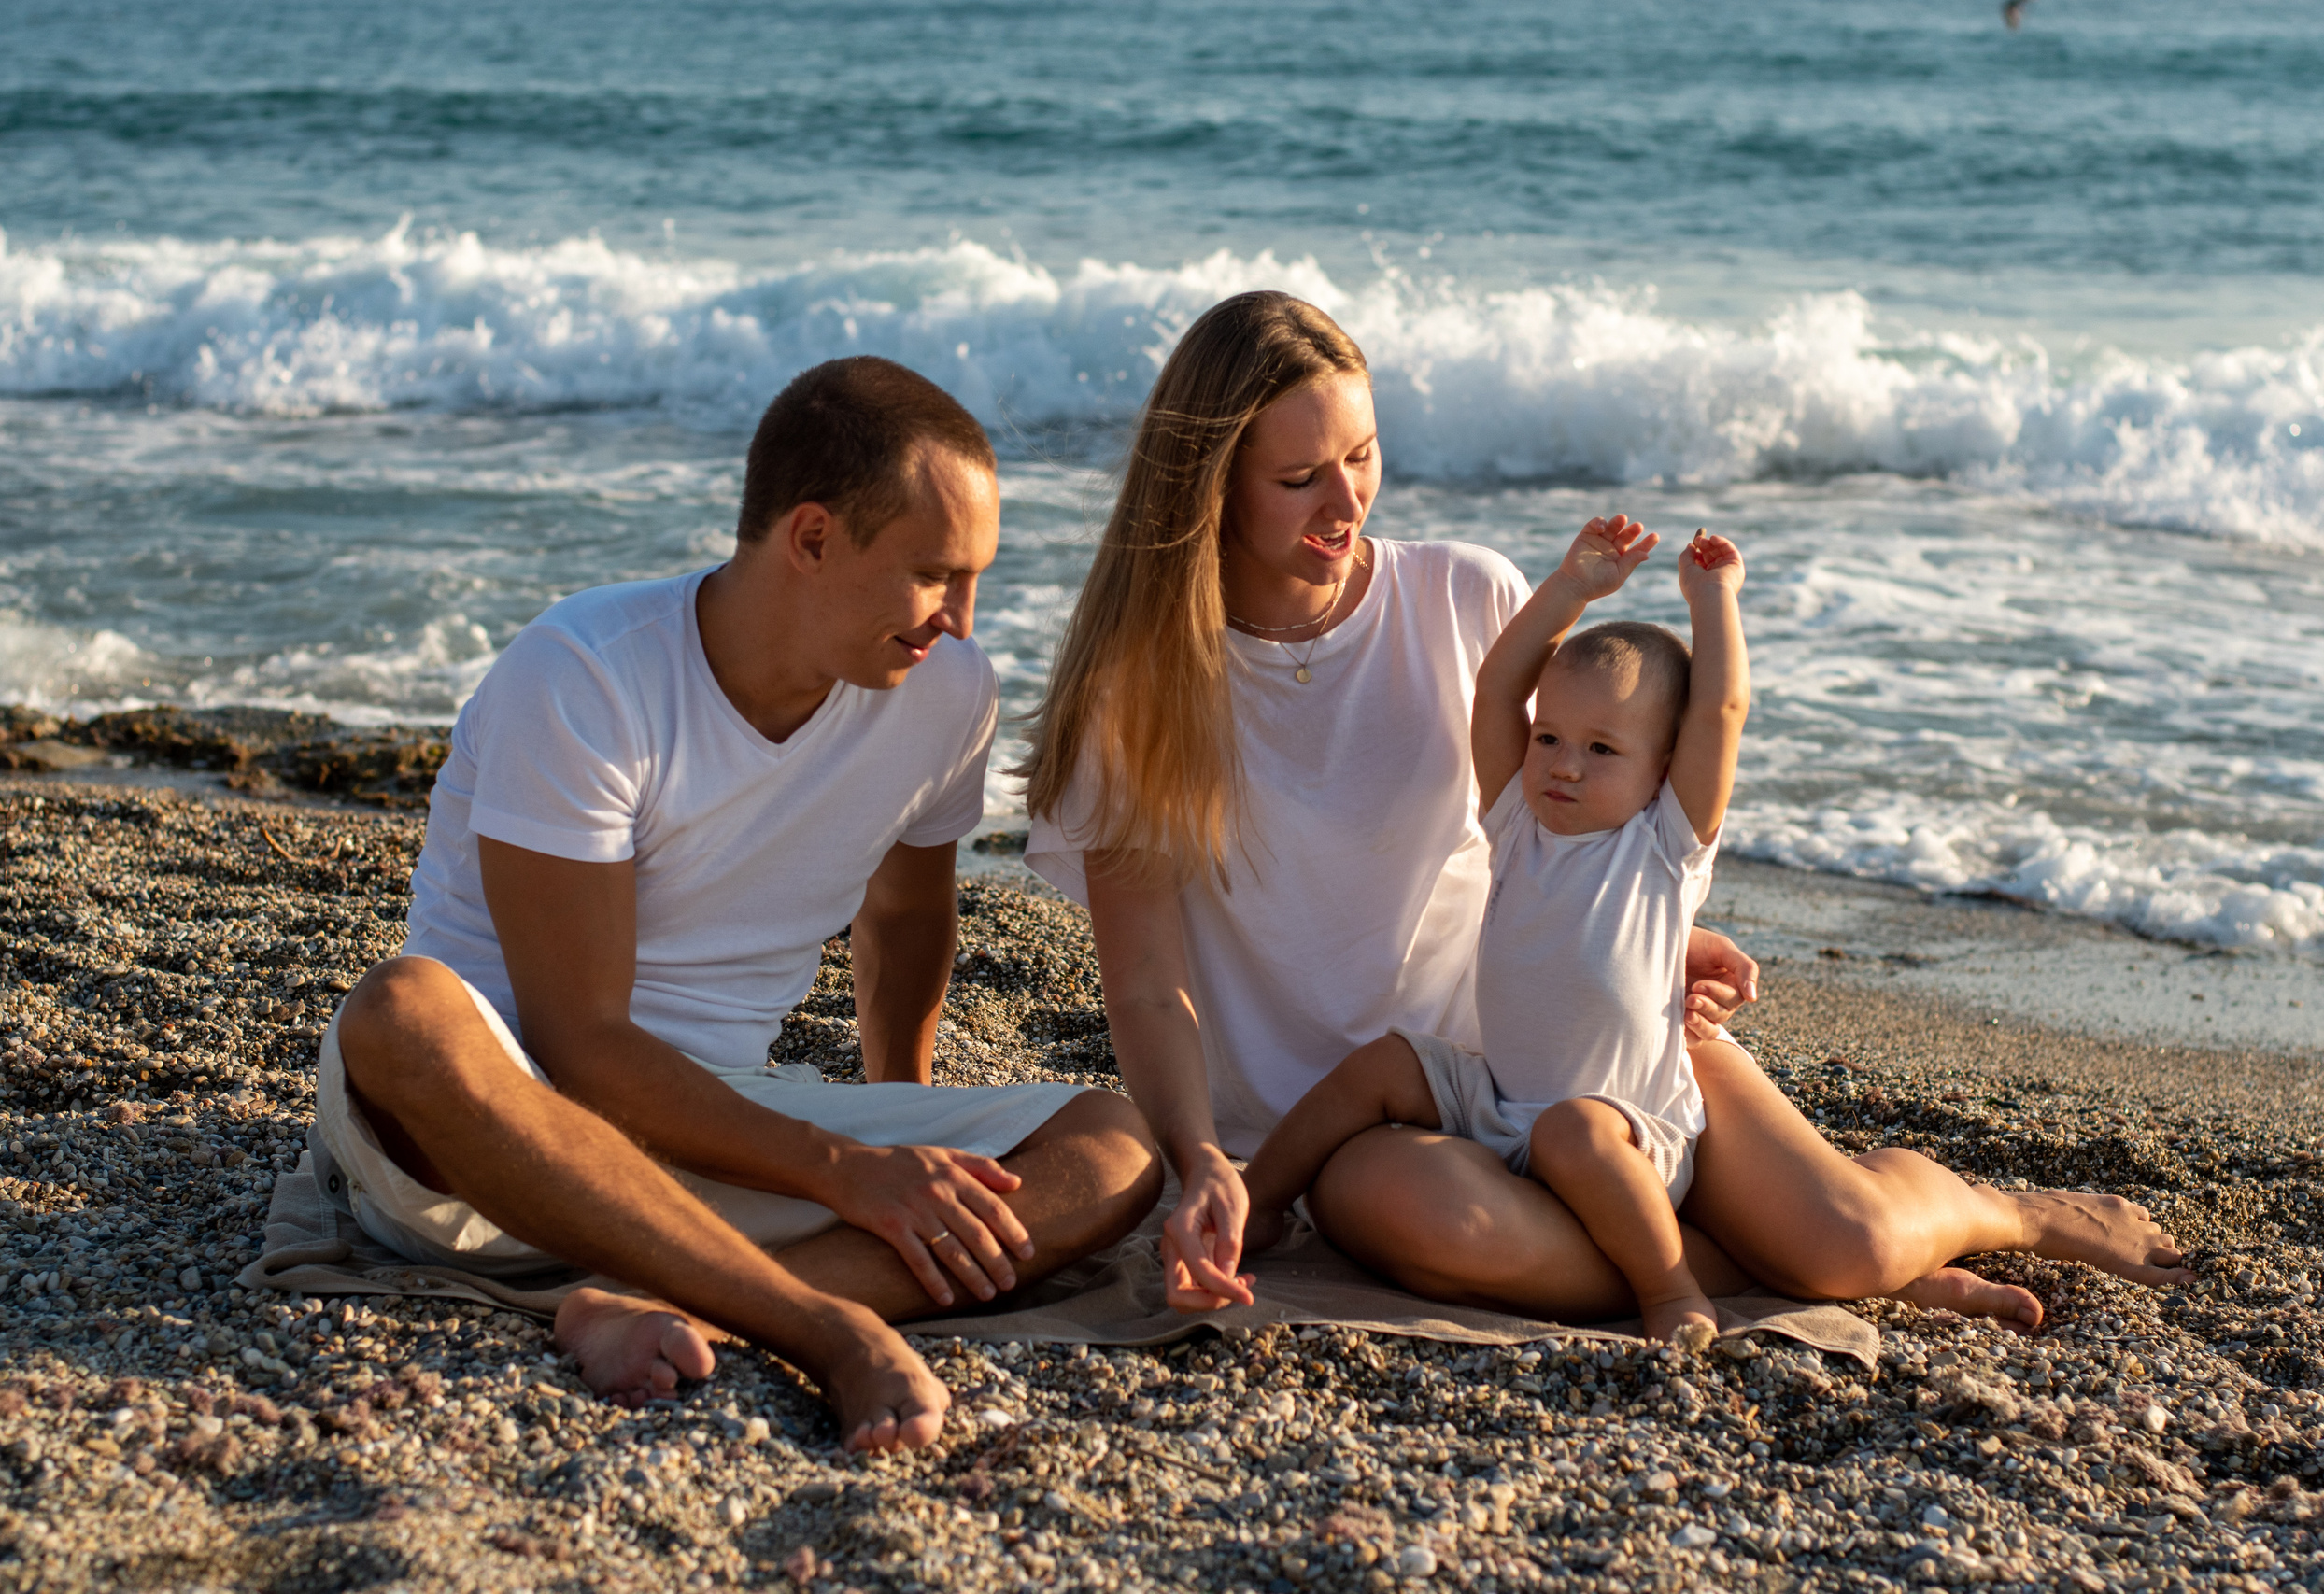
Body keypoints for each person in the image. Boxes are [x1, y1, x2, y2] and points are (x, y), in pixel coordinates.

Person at [1019, 289, 2191, 1329]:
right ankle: (1745, 1272)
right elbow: (1145, 984)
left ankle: (2007, 1214)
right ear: (1207, 489)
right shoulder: (1138, 690)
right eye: (1297, 479)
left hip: (1591, 1052)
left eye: (1363, 459)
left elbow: (1574, 804)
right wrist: (1199, 1163)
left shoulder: (1461, 593)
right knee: (1409, 1214)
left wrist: (1655, 937)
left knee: (1853, 1238)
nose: (1348, 504)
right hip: (1371, 1131)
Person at [318, 357, 1161, 1454]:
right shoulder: (585, 674)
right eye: (934, 575)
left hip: (728, 1141)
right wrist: (846, 1174)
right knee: (403, 1012)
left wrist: (905, 1144)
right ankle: (825, 1324)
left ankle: (679, 1302)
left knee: (1114, 1145)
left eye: (976, 580)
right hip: (497, 1138)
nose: (960, 619)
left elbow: (904, 918)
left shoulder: (946, 692)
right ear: (810, 539)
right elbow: (580, 1045)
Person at [1240, 514, 1748, 1342]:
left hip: (1622, 1131)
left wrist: (1713, 599)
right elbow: (1498, 685)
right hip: (1500, 1103)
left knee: (1571, 1128)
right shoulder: (1517, 820)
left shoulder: (1663, 846)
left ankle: (1671, 1286)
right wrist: (1572, 587)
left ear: (1662, 769)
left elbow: (1720, 710)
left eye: (1602, 749)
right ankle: (1254, 1202)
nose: (1564, 763)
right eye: (1550, 737)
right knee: (1388, 1061)